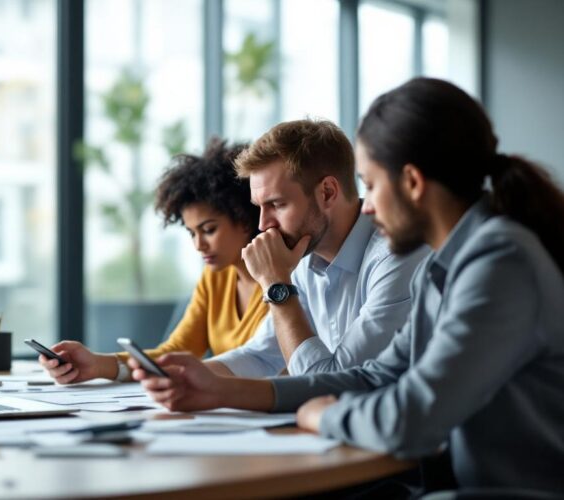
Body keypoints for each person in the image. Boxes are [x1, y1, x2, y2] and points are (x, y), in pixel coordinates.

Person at [134, 78, 564, 492]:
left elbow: (413, 416)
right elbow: (375, 376)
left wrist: (324, 416)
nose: (369, 207)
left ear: (412, 183)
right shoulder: (451, 266)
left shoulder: (499, 262)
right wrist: (221, 389)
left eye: (372, 186)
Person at [204, 119, 427, 378]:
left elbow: (332, 380)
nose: (263, 225)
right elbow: (261, 356)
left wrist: (277, 285)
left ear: (328, 192)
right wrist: (181, 376)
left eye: (277, 204)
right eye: (259, 207)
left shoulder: (397, 256)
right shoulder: (303, 256)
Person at [40, 139, 269, 383]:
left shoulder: (280, 281)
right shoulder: (215, 277)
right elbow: (177, 351)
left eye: (209, 230)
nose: (198, 245)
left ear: (245, 220)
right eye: (192, 233)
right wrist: (97, 364)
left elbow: (270, 365)